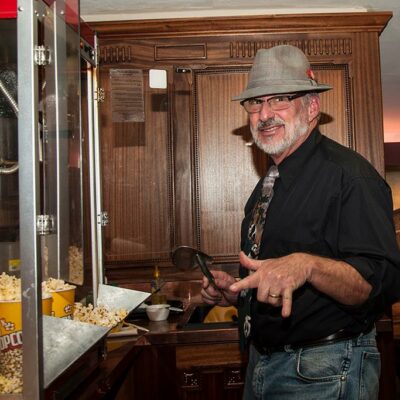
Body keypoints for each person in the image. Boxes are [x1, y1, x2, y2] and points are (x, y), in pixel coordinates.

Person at [200, 44, 400, 400]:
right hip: (263, 364)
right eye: (255, 103)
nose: (264, 114)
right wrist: (236, 292)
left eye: (279, 100)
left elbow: (378, 284)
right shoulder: (267, 187)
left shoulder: (350, 177)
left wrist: (308, 266)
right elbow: (279, 281)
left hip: (325, 370)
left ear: (311, 107)